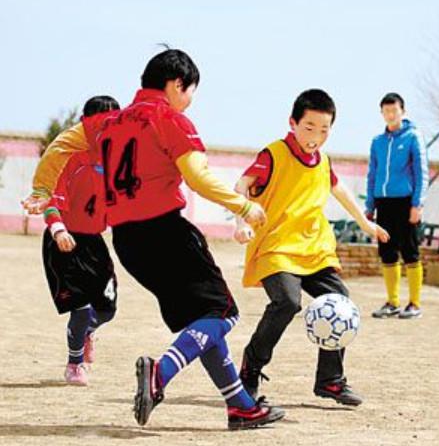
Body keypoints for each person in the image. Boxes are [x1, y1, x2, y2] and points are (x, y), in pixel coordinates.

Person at [23, 49, 283, 430]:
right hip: (167, 234)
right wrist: (242, 206)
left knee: (201, 321)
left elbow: (61, 144)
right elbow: (197, 178)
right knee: (223, 314)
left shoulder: (106, 122)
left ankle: (241, 406)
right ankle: (159, 373)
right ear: (177, 84)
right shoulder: (171, 119)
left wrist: (42, 188)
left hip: (128, 243)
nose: (190, 101)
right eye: (191, 92)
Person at [234, 88, 389, 406]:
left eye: (324, 130)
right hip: (277, 246)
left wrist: (365, 224)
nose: (315, 137)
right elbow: (242, 184)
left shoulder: (323, 161)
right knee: (287, 303)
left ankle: (330, 380)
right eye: (309, 128)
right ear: (292, 123)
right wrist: (241, 221)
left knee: (340, 302)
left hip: (314, 248)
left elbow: (339, 190)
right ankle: (250, 370)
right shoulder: (274, 154)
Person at [42, 95, 120, 385]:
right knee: (81, 308)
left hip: (94, 244)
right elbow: (51, 198)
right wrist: (58, 229)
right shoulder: (69, 157)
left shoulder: (115, 162)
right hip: (64, 241)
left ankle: (86, 332)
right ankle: (75, 364)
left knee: (107, 309)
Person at [365, 92, 429, 319]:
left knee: (410, 251)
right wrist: (369, 205)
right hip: (383, 203)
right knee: (387, 252)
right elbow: (372, 174)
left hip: (406, 202)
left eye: (394, 110)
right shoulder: (377, 142)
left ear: (403, 111)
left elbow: (421, 173)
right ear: (381, 113)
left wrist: (417, 204)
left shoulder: (413, 137)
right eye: (386, 111)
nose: (390, 114)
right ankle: (392, 302)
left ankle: (414, 303)